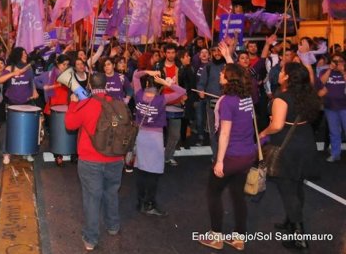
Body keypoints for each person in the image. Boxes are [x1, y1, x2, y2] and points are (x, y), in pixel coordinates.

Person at [259, 62, 321, 250]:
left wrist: (263, 132)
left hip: (287, 146)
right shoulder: (307, 93)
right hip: (305, 142)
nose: (279, 73)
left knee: (288, 189)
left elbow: (277, 125)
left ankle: (298, 233)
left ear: (287, 77)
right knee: (297, 184)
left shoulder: (282, 97)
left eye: (282, 71)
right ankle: (290, 220)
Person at [197, 64, 257, 250]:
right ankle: (239, 237)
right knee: (238, 194)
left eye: (223, 72)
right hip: (248, 154)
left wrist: (220, 161)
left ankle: (216, 237)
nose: (220, 74)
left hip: (232, 155)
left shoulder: (227, 101)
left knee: (213, 192)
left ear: (229, 78)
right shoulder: (246, 97)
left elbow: (224, 133)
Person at [65, 72, 124, 252]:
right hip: (115, 158)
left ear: (89, 85)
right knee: (111, 192)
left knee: (92, 198)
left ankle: (91, 239)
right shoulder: (117, 104)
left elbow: (69, 125)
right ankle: (113, 226)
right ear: (106, 85)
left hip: (90, 160)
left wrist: (73, 103)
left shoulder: (85, 104)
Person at [132, 71, 186, 217]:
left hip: (141, 136)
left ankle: (141, 202)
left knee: (142, 170)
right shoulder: (161, 99)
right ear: (159, 84)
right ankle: (149, 204)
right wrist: (168, 83)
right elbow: (182, 91)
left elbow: (136, 76)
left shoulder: (138, 94)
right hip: (154, 138)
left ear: (147, 83)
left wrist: (147, 72)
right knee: (154, 172)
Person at [0, 47, 39, 165]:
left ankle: (27, 152)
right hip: (12, 103)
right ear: (17, 56)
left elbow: (31, 82)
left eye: (26, 54)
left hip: (26, 102)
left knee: (28, 128)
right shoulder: (9, 68)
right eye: (23, 54)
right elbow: (0, 80)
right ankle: (6, 153)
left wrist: (34, 91)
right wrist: (13, 73)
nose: (25, 56)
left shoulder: (29, 68)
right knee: (9, 129)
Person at [153, 43, 185, 166]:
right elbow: (152, 84)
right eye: (168, 52)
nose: (171, 55)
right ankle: (157, 157)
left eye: (173, 52)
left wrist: (184, 95)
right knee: (157, 133)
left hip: (177, 103)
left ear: (176, 53)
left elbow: (185, 83)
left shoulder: (180, 67)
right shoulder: (158, 66)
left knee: (175, 134)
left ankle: (167, 157)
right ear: (164, 53)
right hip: (161, 103)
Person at [317, 53, 346, 162]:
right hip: (330, 107)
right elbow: (321, 83)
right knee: (334, 132)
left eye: (340, 60)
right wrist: (330, 69)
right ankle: (335, 153)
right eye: (335, 61)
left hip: (344, 107)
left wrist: (343, 71)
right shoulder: (325, 71)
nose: (337, 63)